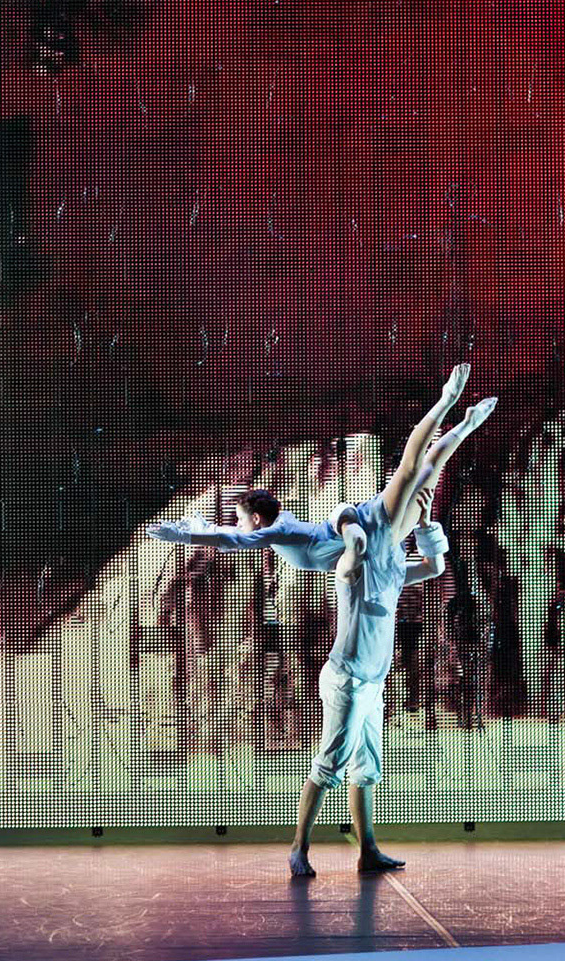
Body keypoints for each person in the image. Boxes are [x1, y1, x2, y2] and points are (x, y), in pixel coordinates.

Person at [146, 364, 497, 877]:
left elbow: (434, 563)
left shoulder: (385, 564)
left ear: (257, 515)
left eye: (244, 519)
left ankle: (367, 850)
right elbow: (248, 539)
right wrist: (187, 534)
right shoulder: (338, 559)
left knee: (366, 768)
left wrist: (425, 523)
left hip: (371, 667)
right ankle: (299, 849)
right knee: (417, 471)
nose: (245, 527)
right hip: (350, 670)